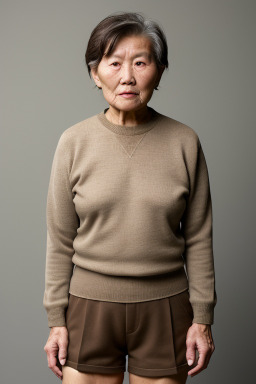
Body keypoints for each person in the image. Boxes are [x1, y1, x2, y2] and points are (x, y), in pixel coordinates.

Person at [43, 11, 217, 384]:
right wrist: (56, 319)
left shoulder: (184, 141)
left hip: (166, 307)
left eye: (140, 62)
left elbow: (199, 237)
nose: (127, 76)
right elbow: (59, 240)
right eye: (114, 63)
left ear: (159, 70)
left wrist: (202, 318)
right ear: (95, 72)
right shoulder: (73, 142)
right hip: (89, 306)